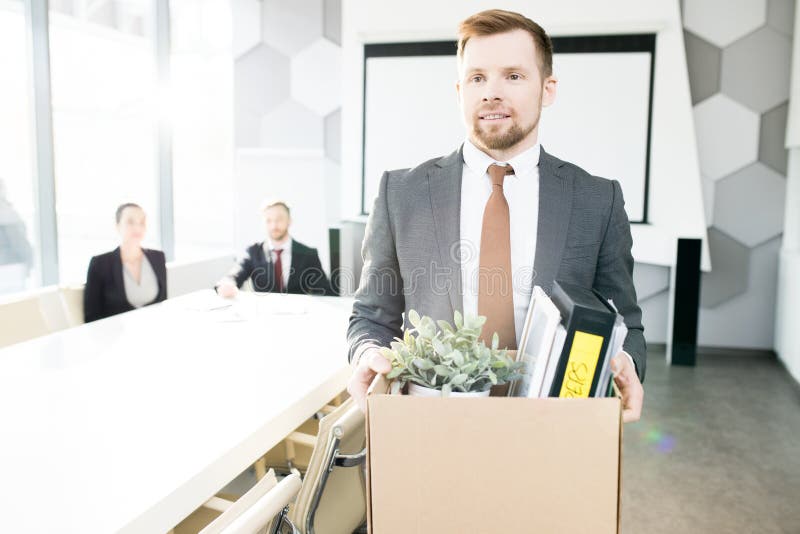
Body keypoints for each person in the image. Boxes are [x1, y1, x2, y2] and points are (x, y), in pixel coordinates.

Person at [347, 9, 645, 421]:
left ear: (548, 89)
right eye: (477, 78)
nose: (491, 92)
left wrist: (627, 361)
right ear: (459, 91)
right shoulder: (401, 193)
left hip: (557, 427)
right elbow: (371, 316)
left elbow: (626, 324)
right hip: (430, 427)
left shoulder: (598, 200)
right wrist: (367, 353)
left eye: (514, 76)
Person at [216, 200, 333, 297]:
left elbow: (325, 290)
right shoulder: (253, 252)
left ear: (289, 221)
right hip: (263, 316)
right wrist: (227, 283)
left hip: (298, 317)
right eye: (268, 220)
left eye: (279, 219)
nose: (274, 225)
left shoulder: (308, 254)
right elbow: (235, 274)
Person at [83, 203, 167, 322]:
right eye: (130, 222)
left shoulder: (158, 258)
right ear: (117, 226)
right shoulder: (100, 264)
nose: (137, 227)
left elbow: (163, 305)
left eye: (142, 222)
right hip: (114, 337)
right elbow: (91, 317)